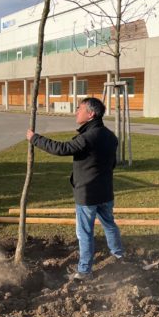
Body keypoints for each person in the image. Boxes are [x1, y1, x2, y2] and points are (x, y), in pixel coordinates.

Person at [26, 97, 124, 281]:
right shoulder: (110, 136)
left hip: (87, 194)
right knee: (109, 224)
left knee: (85, 233)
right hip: (105, 192)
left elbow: (61, 149)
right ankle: (119, 255)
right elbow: (112, 164)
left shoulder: (88, 137)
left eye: (79, 109)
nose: (76, 112)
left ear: (91, 114)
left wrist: (35, 139)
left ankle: (85, 270)